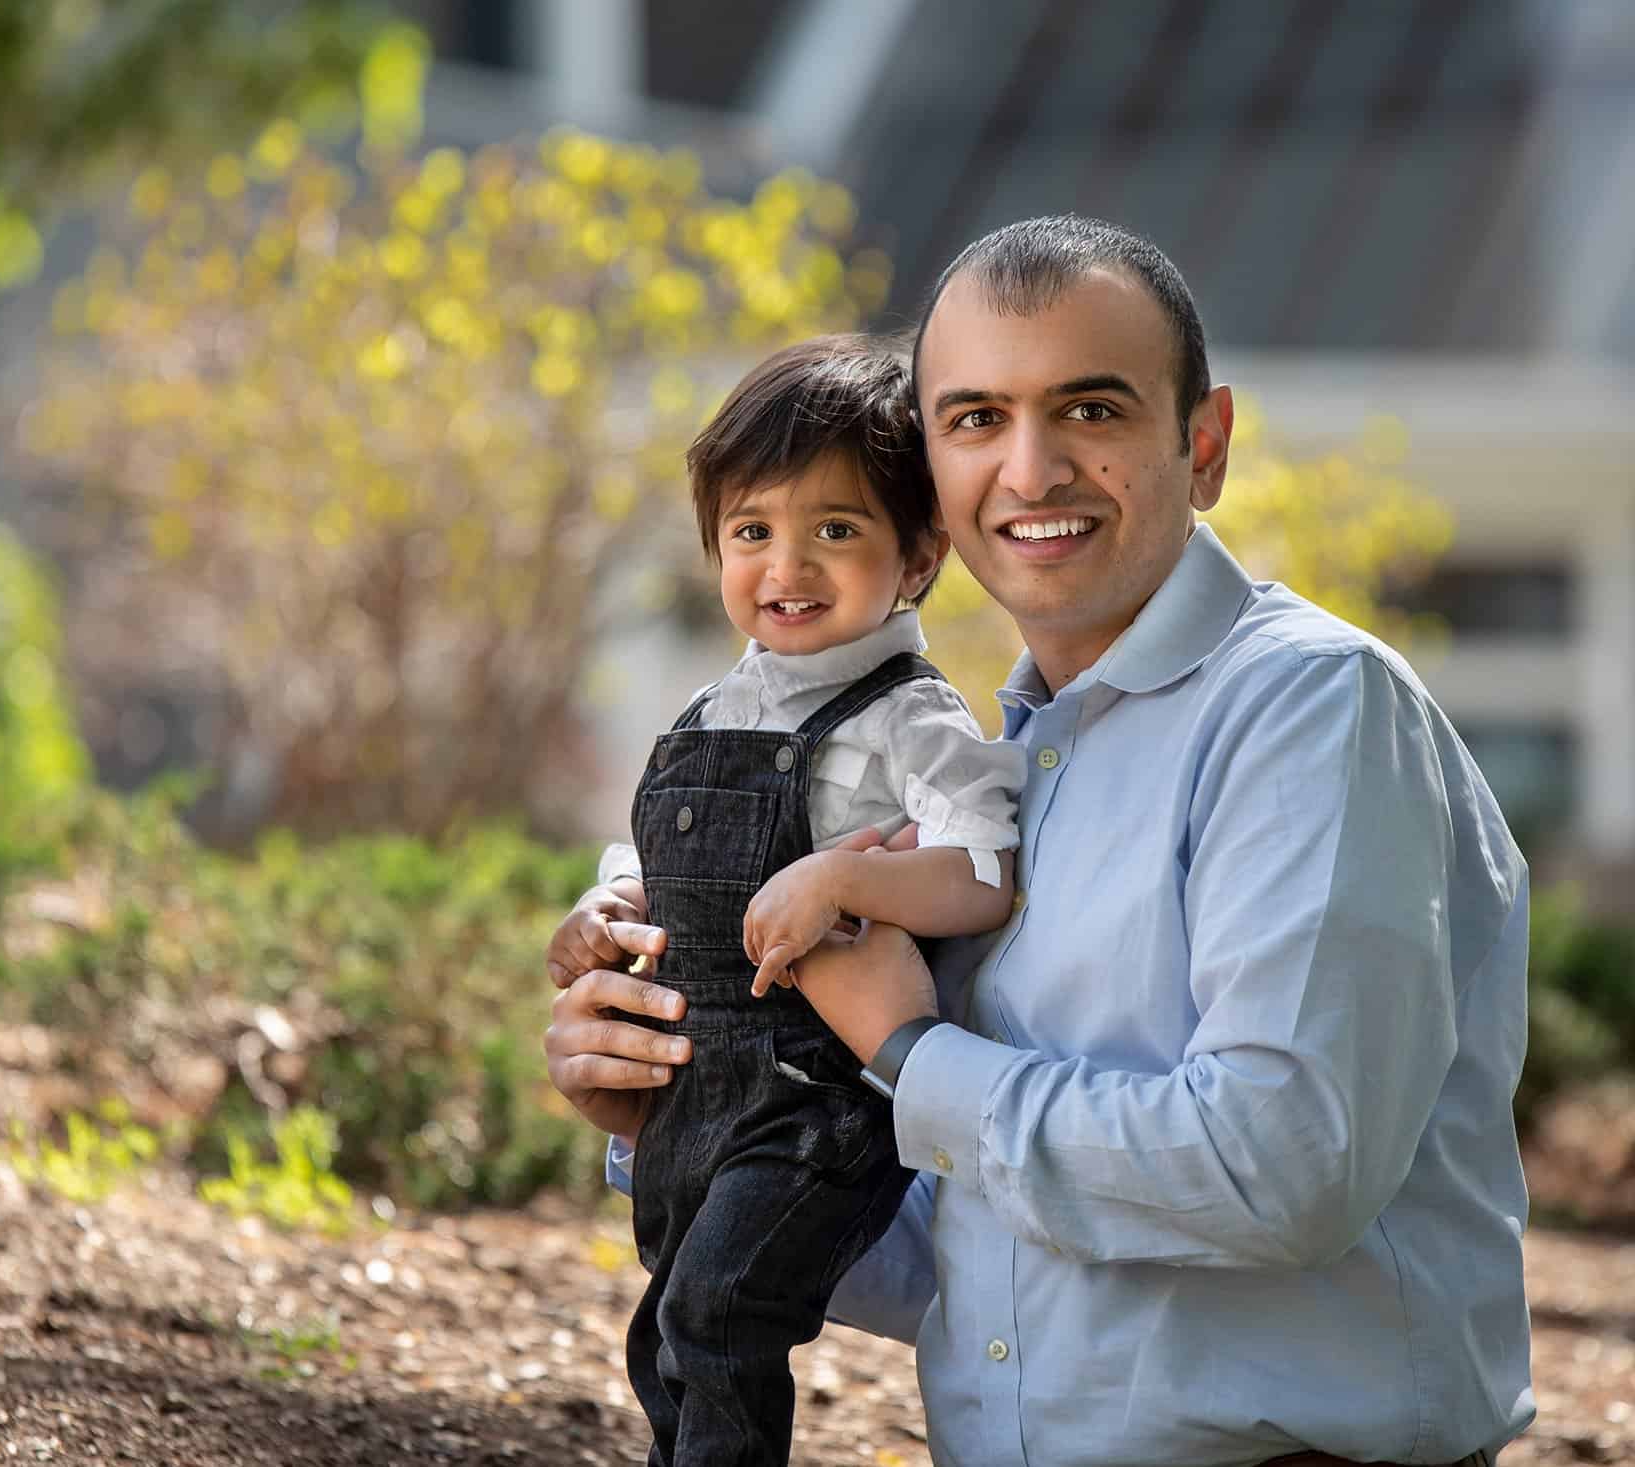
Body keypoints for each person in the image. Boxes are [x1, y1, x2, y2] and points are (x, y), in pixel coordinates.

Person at [547, 216, 1534, 1467]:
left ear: (1205, 443)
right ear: (934, 491)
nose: (1029, 469)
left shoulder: (1306, 709)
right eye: (974, 420)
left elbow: (1279, 1170)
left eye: (1090, 411)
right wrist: (684, 1118)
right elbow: (988, 1244)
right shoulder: (996, 769)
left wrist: (907, 1048)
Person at [592, 334, 1024, 1466]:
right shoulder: (710, 708)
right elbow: (660, 867)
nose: (787, 567)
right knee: (666, 1335)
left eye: (834, 529)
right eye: (752, 533)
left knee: (724, 1314)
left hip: (818, 1102)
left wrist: (845, 876)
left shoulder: (909, 718)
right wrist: (603, 913)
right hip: (696, 1099)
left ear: (918, 556)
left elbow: (984, 875)